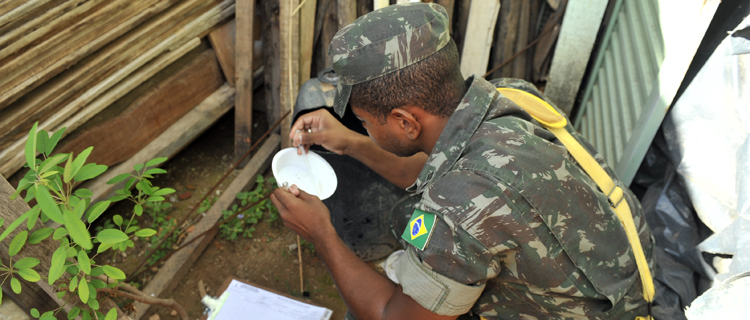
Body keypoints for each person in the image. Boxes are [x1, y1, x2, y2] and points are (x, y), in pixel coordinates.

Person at [270, 3, 654, 319]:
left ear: (405, 122)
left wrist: (321, 233)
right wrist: (351, 143)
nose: (364, 129)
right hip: (620, 285)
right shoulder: (511, 96)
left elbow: (393, 315)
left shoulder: (462, 203)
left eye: (366, 122)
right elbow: (432, 172)